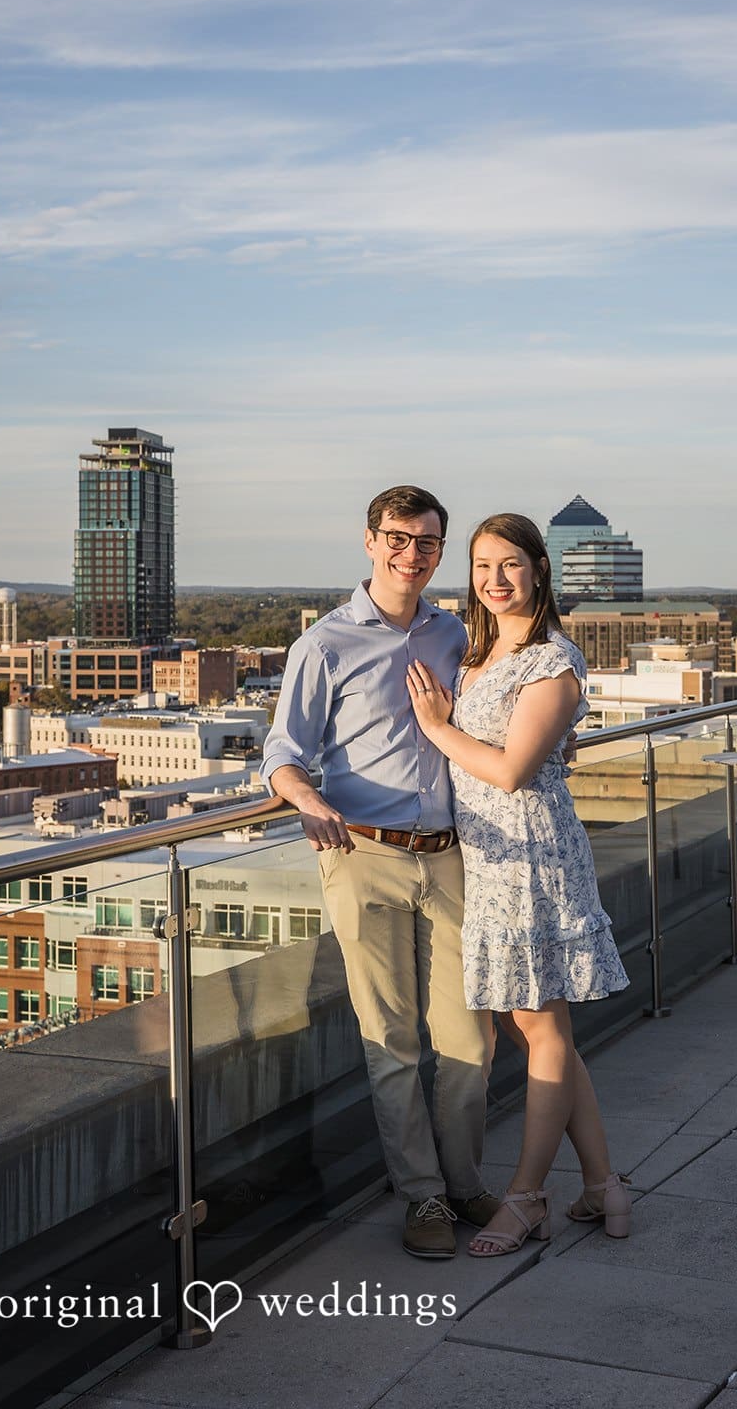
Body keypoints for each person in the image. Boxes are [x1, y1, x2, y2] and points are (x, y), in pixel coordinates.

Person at [261, 485, 497, 1259]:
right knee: (391, 1038)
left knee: (470, 1033)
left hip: (451, 853)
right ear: (369, 542)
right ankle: (423, 1198)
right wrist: (302, 799)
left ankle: (464, 1180)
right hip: (361, 855)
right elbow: (283, 752)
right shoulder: (323, 644)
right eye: (397, 539)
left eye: (426, 543)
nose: (411, 554)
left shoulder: (451, 632)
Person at [406, 512, 631, 1257]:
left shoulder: (552, 661)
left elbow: (509, 770)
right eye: (480, 566)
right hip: (489, 857)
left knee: (536, 1026)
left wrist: (438, 729)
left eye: (509, 564)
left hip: (530, 858)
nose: (494, 579)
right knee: (537, 1029)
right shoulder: (479, 651)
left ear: (539, 568)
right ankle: (601, 1184)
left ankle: (527, 1195)